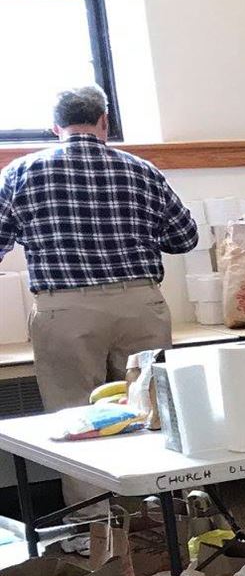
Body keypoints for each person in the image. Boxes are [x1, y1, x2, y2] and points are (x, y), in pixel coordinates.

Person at [0, 84, 198, 499]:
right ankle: (161, 514)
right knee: (154, 411)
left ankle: (96, 528)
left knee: (74, 419)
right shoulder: (142, 170)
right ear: (104, 120)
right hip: (140, 304)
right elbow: (184, 238)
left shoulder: (20, 172)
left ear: (55, 126)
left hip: (65, 311)